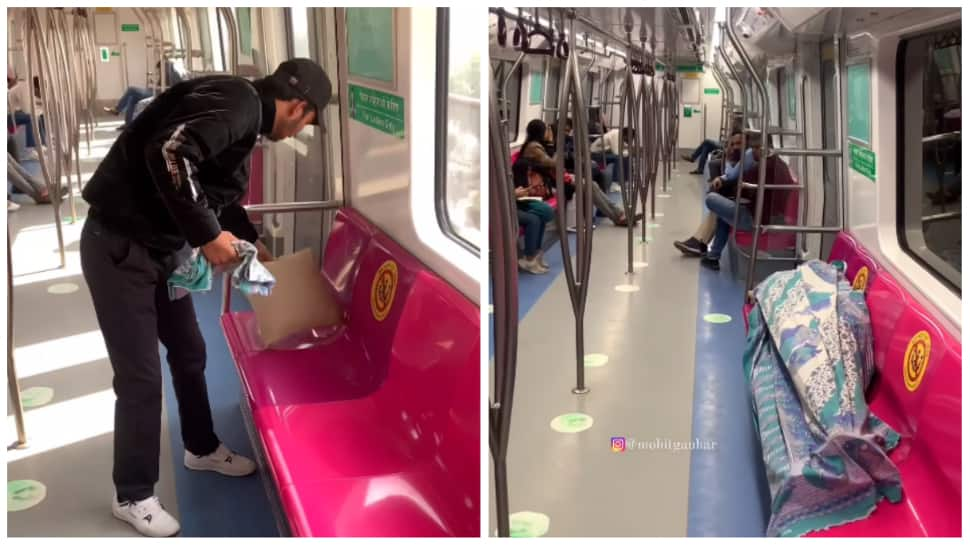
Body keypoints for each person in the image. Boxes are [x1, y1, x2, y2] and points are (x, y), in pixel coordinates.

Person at [80, 58, 331, 537]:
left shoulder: (242, 115)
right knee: (140, 377)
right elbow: (169, 155)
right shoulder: (237, 102)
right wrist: (209, 237)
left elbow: (215, 188)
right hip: (119, 245)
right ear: (298, 107)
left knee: (190, 351)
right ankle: (131, 493)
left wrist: (244, 237)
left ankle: (200, 447)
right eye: (307, 123)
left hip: (162, 248)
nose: (300, 133)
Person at [517, 119, 638, 227]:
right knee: (590, 185)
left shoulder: (537, 145)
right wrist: (557, 146)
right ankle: (618, 216)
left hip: (553, 177)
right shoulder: (534, 147)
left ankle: (619, 214)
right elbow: (554, 163)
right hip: (549, 182)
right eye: (546, 130)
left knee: (592, 184)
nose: (548, 132)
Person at [673, 131, 754, 258]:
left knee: (715, 204)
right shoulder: (745, 159)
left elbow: (733, 176)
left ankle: (701, 244)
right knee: (718, 205)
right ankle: (703, 246)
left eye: (738, 144)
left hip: (751, 214)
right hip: (746, 204)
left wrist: (727, 164)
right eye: (732, 144)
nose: (734, 147)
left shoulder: (750, 160)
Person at [105, 60, 187, 127]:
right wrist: (154, 84)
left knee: (131, 89)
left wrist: (153, 85)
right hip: (155, 91)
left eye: (159, 70)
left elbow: (163, 88)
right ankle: (128, 124)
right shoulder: (170, 72)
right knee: (132, 98)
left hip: (156, 93)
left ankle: (117, 109)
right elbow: (161, 85)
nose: (158, 72)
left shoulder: (168, 73)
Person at [514, 161, 555, 274]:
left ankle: (535, 253)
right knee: (533, 219)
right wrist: (514, 194)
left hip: (515, 204)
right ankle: (529, 258)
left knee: (539, 216)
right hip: (502, 208)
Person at [7, 69, 46, 151]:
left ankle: (42, 143)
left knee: (39, 116)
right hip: (9, 116)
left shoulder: (21, 88)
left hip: (13, 113)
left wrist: (39, 107)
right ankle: (32, 147)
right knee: (32, 117)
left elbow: (27, 105)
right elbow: (27, 110)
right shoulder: (21, 88)